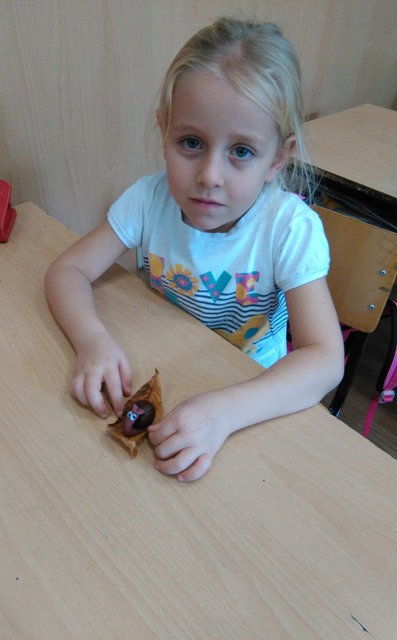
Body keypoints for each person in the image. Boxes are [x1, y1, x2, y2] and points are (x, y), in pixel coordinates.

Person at [45, 17, 344, 481]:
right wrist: (91, 339)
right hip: (166, 369)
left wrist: (225, 412)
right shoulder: (148, 200)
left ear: (278, 158)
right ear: (164, 131)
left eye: (241, 151)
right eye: (191, 143)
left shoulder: (287, 228)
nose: (209, 176)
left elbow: (324, 359)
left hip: (251, 397)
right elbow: (68, 270)